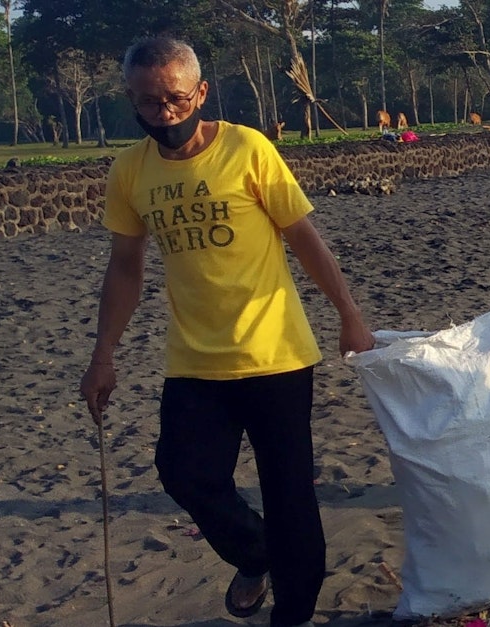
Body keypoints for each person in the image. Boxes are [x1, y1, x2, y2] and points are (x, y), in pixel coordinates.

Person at [79, 36, 374, 627]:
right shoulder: (130, 171)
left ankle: (292, 614)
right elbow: (126, 266)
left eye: (175, 99)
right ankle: (254, 554)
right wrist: (102, 354)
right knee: (184, 472)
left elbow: (303, 237)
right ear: (130, 101)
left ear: (201, 93)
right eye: (148, 103)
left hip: (276, 355)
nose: (164, 114)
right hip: (194, 362)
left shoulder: (247, 148)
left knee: (290, 496)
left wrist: (349, 314)